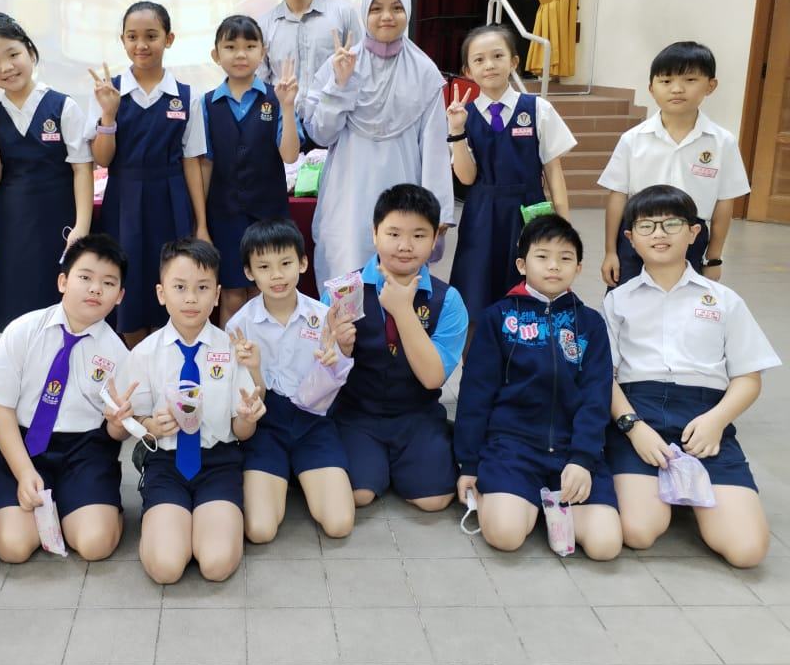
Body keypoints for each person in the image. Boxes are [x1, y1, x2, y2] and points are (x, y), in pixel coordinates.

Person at [604, 185, 781, 568]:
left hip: (704, 417)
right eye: (647, 226)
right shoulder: (617, 300)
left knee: (747, 551)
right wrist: (633, 427)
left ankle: (687, 487)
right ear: (631, 238)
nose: (659, 234)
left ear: (693, 232)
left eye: (671, 223)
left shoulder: (724, 300)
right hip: (640, 412)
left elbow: (749, 377)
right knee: (638, 532)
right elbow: (605, 377)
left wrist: (717, 421)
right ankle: (668, 489)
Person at [454, 215, 621, 559]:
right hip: (512, 448)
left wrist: (583, 459)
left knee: (605, 546)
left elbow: (596, 395)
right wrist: (468, 464)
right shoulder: (498, 318)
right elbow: (475, 395)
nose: (554, 266)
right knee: (505, 536)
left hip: (571, 449)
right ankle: (522, 501)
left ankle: (542, 504)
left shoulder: (590, 323)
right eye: (542, 256)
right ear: (522, 264)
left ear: (578, 267)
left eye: (565, 258)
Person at [0, 234, 133, 563]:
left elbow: (116, 432)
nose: (95, 289)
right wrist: (23, 472)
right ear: (63, 282)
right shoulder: (23, 330)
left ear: (119, 296)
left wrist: (119, 425)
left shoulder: (119, 353)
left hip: (85, 450)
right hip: (24, 445)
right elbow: (0, 409)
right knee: (13, 548)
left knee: (94, 545)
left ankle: (91, 506)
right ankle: (62, 504)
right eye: (85, 277)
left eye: (108, 283)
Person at [119, 239, 265, 583]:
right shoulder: (144, 354)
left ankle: (207, 521)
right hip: (165, 464)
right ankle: (168, 525)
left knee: (216, 564)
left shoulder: (231, 350)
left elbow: (242, 431)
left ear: (216, 295)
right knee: (166, 567)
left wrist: (247, 418)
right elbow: (133, 421)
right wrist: (152, 425)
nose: (190, 298)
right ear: (161, 293)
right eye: (180, 287)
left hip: (219, 463)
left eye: (202, 288)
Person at [304, 0, 453, 286]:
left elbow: (435, 149)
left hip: (404, 187)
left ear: (408, 12)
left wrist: (439, 211)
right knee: (345, 271)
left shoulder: (424, 72)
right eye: (376, 9)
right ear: (364, 14)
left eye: (396, 8)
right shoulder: (340, 63)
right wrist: (340, 85)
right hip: (348, 194)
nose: (387, 16)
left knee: (399, 272)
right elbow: (321, 134)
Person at [328, 184, 467, 511]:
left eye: (419, 235)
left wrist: (403, 310)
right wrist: (340, 350)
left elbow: (433, 378)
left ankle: (423, 451)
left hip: (417, 414)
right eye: (393, 234)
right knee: (357, 494)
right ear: (374, 233)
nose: (405, 246)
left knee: (433, 500)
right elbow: (320, 370)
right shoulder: (345, 291)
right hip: (356, 414)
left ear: (435, 239)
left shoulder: (447, 300)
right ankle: (377, 463)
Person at [226, 219, 354, 542]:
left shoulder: (323, 315)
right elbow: (246, 401)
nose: (277, 275)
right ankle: (287, 473)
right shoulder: (239, 326)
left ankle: (298, 472)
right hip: (266, 426)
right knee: (260, 530)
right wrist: (255, 370)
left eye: (286, 263)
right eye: (264, 267)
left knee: (339, 524)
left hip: (314, 422)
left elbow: (334, 383)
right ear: (249, 272)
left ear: (303, 263)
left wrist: (335, 359)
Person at [87, 1, 207, 345]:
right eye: (132, 37)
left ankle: (165, 360)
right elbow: (102, 158)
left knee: (172, 277)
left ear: (169, 39)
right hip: (124, 200)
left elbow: (192, 161)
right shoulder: (109, 91)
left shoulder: (186, 96)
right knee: (130, 281)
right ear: (122, 40)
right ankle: (133, 363)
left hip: (171, 199)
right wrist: (108, 115)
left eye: (151, 36)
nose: (141, 45)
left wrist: (201, 224)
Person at [0, 13, 94, 332]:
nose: (6, 67)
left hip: (61, 225)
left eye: (13, 54)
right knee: (18, 318)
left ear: (31, 53)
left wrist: (81, 227)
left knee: (65, 312)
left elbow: (82, 169)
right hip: (15, 227)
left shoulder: (62, 106)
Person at [447, 25, 576, 325]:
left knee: (531, 289)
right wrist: (456, 131)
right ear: (467, 70)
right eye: (479, 60)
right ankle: (480, 352)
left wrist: (564, 228)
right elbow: (466, 178)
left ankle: (528, 349)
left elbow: (554, 172)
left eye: (497, 56)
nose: (489, 65)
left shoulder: (538, 109)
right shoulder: (463, 115)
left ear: (514, 62)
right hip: (482, 214)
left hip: (530, 211)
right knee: (476, 292)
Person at [599, 41, 749, 288]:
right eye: (666, 81)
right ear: (651, 88)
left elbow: (724, 203)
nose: (677, 89)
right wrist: (610, 252)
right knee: (627, 299)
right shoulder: (632, 139)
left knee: (686, 301)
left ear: (710, 86)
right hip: (638, 233)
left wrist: (713, 258)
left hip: (691, 235)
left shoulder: (722, 142)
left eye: (690, 80)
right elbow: (617, 196)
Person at [201, 15, 301, 324]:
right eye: (230, 46)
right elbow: (205, 163)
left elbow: (290, 155)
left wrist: (287, 106)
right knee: (231, 294)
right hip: (224, 215)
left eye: (250, 46)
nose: (240, 54)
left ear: (263, 51)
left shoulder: (276, 97)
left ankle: (266, 352)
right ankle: (229, 354)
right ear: (216, 54)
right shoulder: (207, 104)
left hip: (269, 215)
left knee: (266, 292)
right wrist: (201, 222)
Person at [257, 0, 363, 144]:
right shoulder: (264, 25)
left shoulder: (342, 13)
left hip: (335, 128)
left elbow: (362, 69)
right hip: (282, 131)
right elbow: (260, 83)